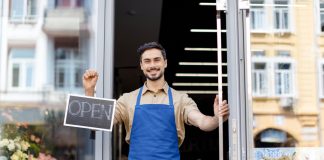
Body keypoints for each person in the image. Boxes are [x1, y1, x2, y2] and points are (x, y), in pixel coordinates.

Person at [83, 42, 229, 160]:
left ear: (165, 63)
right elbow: (96, 122)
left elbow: (203, 122)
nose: (152, 65)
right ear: (141, 66)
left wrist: (217, 118)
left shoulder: (181, 99)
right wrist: (89, 91)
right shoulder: (127, 99)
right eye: (147, 61)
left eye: (156, 60)